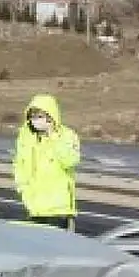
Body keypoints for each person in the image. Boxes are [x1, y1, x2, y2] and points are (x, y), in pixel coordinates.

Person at [13, 94, 81, 229]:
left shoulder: (67, 135)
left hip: (58, 209)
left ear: (50, 116)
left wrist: (53, 137)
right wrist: (22, 187)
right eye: (33, 116)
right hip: (34, 207)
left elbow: (70, 161)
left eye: (40, 116)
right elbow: (19, 164)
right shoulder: (26, 137)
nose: (35, 120)